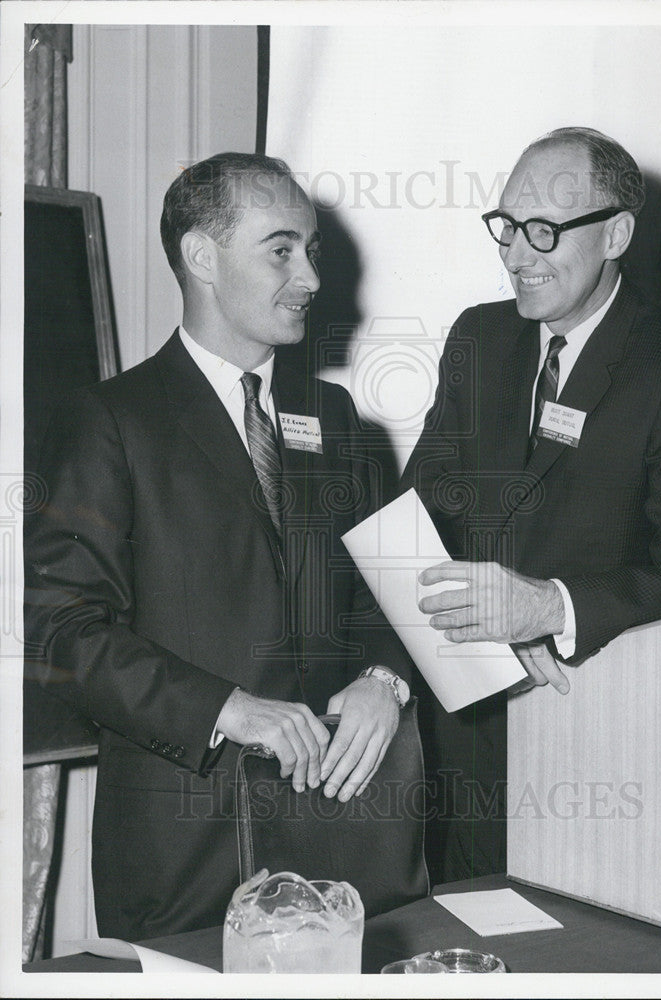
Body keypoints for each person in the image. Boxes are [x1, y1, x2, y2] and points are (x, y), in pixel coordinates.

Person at [25, 152, 412, 939]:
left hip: (343, 838)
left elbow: (389, 592)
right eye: (281, 249)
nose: (307, 276)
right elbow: (62, 632)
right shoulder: (111, 420)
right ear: (202, 256)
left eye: (311, 250)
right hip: (185, 851)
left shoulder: (336, 418)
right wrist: (226, 709)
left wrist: (384, 676)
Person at [402, 127, 661, 882]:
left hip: (593, 736)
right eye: (505, 228)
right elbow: (419, 509)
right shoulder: (477, 335)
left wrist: (552, 609)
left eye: (543, 232)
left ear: (616, 234)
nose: (515, 256)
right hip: (456, 733)